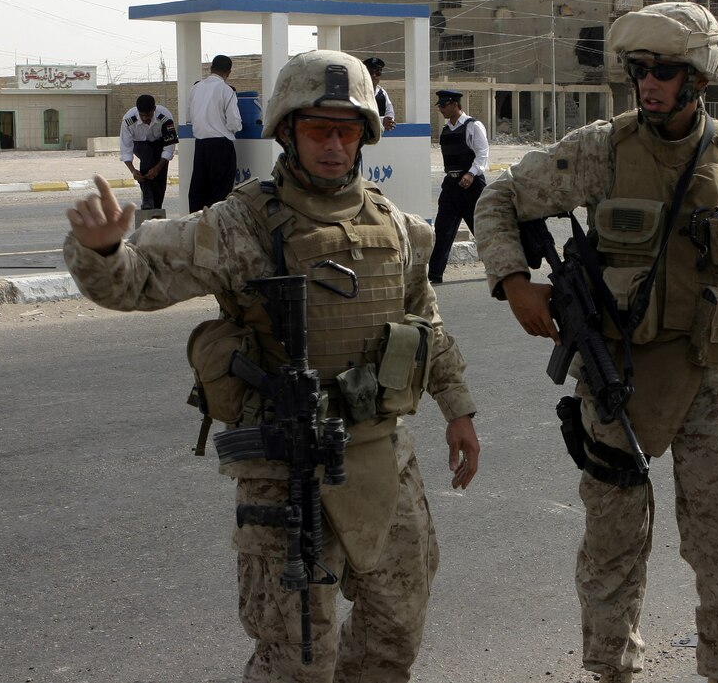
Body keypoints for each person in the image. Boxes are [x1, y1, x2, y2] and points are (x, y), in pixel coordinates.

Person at [63, 49, 480, 682]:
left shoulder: (397, 228)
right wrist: (101, 252)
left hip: (381, 461)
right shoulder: (240, 226)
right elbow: (137, 282)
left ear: (365, 135)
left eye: (347, 130)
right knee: (297, 660)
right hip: (286, 472)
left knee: (393, 637)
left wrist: (459, 411)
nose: (334, 145)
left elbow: (426, 322)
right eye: (318, 129)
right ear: (287, 130)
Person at [474, 2, 718, 683]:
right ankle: (610, 670)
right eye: (640, 70)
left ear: (699, 80)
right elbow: (498, 198)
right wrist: (513, 280)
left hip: (712, 382)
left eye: (666, 71)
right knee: (613, 540)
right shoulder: (600, 149)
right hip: (616, 374)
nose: (650, 83)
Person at [428, 90, 489, 284]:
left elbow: (483, 155)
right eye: (439, 106)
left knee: (481, 229)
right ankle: (435, 275)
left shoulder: (473, 126)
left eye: (443, 105)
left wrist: (471, 173)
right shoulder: (446, 129)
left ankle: (499, 268)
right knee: (443, 228)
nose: (441, 109)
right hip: (452, 184)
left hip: (471, 185)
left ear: (455, 104)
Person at [188, 54, 242, 212]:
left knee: (198, 191)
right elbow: (234, 122)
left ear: (211, 68)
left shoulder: (195, 88)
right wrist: (234, 128)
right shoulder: (226, 90)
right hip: (221, 146)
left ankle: (196, 226)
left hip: (200, 146)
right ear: (229, 72)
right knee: (220, 193)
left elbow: (191, 116)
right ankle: (215, 231)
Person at [119, 94, 177, 210]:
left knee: (160, 178)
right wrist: (133, 171)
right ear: (137, 111)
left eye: (149, 115)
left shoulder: (165, 117)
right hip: (140, 145)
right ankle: (147, 196)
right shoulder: (128, 120)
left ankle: (156, 207)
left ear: (154, 109)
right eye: (142, 115)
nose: (145, 119)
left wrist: (157, 169)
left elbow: (169, 148)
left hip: (160, 146)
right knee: (147, 153)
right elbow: (125, 149)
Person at [363, 57, 397, 131]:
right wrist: (382, 121)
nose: (374, 75)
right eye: (371, 72)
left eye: (378, 72)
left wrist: (389, 121)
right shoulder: (359, 92)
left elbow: (390, 112)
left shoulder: (382, 93)